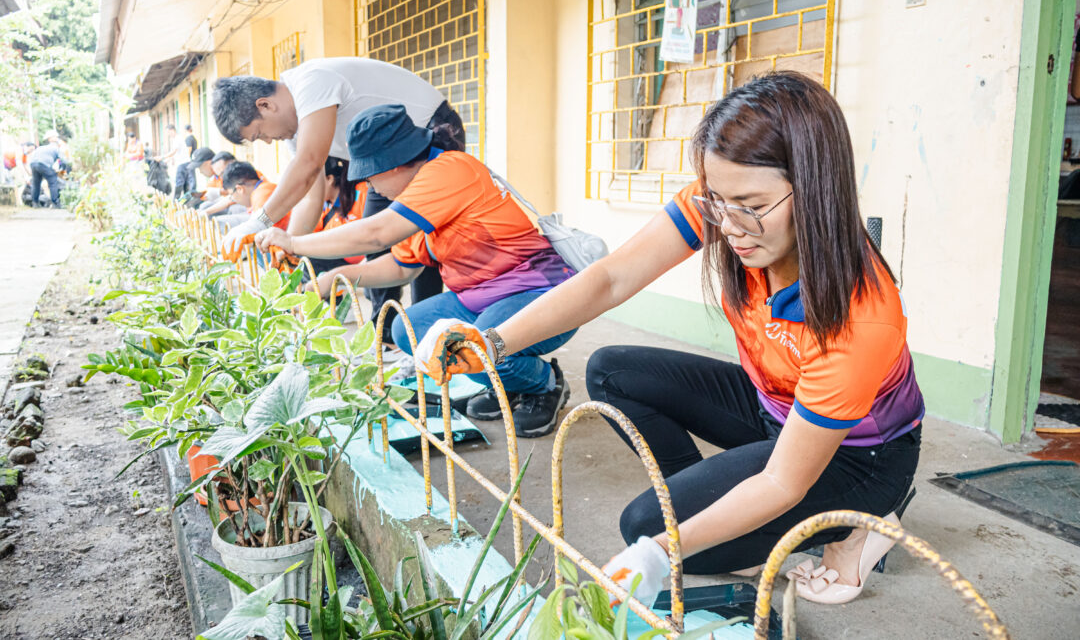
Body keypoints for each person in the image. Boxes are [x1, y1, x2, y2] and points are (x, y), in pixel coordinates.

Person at [415, 72, 925, 608]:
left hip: (859, 455)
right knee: (612, 370)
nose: (729, 225)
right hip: (776, 406)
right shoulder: (727, 202)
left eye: (750, 206)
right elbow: (611, 278)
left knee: (644, 526)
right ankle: (726, 523)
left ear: (816, 186)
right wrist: (491, 342)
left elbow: (781, 482)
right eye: (717, 201)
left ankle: (858, 528)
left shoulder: (860, 314)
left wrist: (661, 550)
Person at [255, 104, 577, 437]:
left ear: (396, 164)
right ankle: (508, 384)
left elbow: (375, 233)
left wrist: (293, 242)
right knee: (408, 330)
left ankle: (545, 384)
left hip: (539, 294)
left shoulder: (449, 170)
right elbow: (400, 268)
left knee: (469, 347)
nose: (372, 186)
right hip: (480, 300)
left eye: (372, 175)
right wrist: (335, 278)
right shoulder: (417, 199)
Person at [211, 57, 453, 321]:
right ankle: (387, 336)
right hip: (385, 162)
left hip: (428, 134)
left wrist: (260, 221)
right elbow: (311, 199)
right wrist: (289, 247)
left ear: (265, 105)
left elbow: (309, 164)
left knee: (422, 232)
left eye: (260, 134)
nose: (269, 142)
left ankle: (427, 333)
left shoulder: (311, 83)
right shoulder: (297, 130)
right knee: (378, 242)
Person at [217, 162, 288, 230]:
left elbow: (262, 231)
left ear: (239, 189)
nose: (233, 199)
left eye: (231, 195)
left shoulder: (260, 197)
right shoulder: (265, 188)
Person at [28, 130, 68, 209]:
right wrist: (63, 169)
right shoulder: (56, 148)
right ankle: (55, 203)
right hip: (43, 164)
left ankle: (35, 203)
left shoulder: (41, 147)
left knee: (36, 183)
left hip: (33, 164)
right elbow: (64, 161)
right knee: (53, 181)